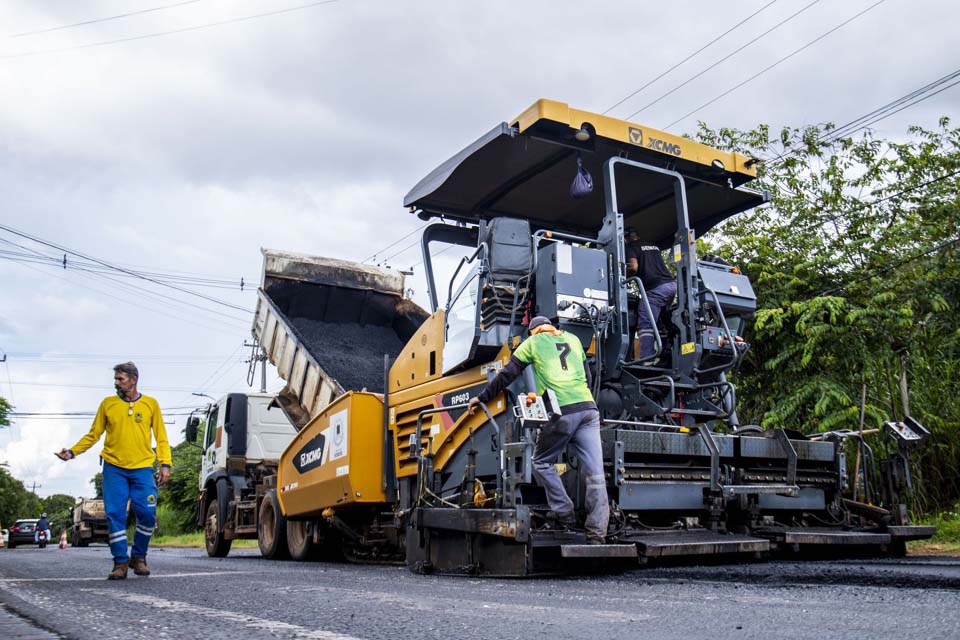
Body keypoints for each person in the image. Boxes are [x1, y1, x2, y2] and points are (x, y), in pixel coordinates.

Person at [467, 316, 610, 544]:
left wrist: (482, 397)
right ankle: (597, 534)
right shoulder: (572, 339)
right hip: (588, 409)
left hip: (562, 410)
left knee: (541, 461)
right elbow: (588, 376)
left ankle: (565, 513)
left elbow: (506, 375)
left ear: (533, 331)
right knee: (595, 475)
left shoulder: (532, 343)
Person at [55, 362, 171, 580]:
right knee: (115, 515)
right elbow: (93, 435)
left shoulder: (150, 404)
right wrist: (72, 452)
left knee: (147, 513)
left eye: (121, 379)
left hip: (143, 468)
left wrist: (165, 464)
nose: (116, 383)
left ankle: (139, 557)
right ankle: (120, 562)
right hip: (114, 468)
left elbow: (161, 437)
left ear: (133, 380)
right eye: (116, 379)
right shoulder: (108, 404)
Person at [625, 229, 676, 361]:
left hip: (656, 289)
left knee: (645, 323)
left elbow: (633, 267)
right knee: (659, 321)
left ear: (626, 239)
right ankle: (666, 354)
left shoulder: (630, 247)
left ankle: (646, 359)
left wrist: (622, 278)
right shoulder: (653, 246)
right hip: (670, 285)